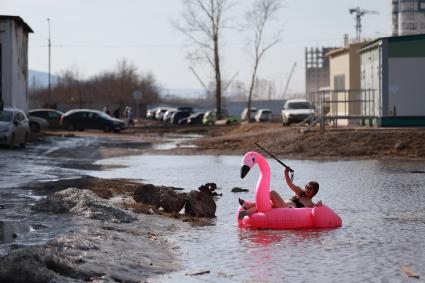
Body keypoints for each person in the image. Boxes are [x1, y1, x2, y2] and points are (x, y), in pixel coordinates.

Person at [238, 167, 322, 219]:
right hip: (281, 205)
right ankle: (246, 213)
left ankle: (248, 206)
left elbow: (317, 211)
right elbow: (290, 184)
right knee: (267, 204)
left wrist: (319, 204)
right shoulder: (299, 192)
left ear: (314, 192)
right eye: (306, 187)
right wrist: (286, 173)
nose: (307, 189)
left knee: (272, 193)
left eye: (310, 189)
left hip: (287, 210)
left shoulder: (311, 204)